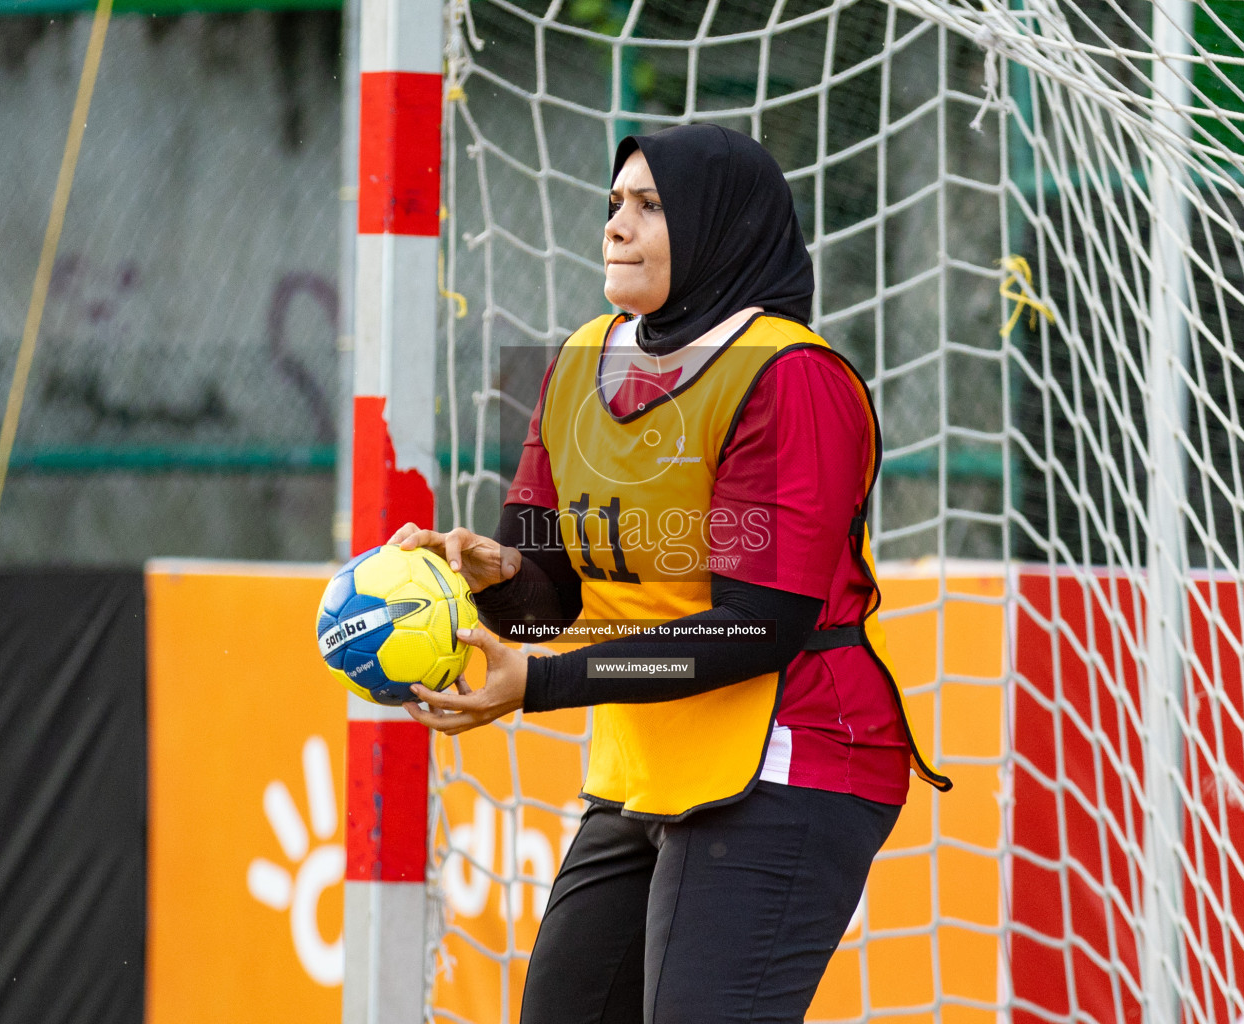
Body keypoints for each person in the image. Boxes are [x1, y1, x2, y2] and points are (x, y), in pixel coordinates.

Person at [390, 122, 949, 1024]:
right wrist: (490, 578)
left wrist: (541, 683)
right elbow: (548, 599)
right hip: (654, 758)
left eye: (650, 206)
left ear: (718, 228)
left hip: (793, 751)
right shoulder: (579, 360)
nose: (616, 225)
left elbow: (758, 625)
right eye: (615, 204)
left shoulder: (792, 376)